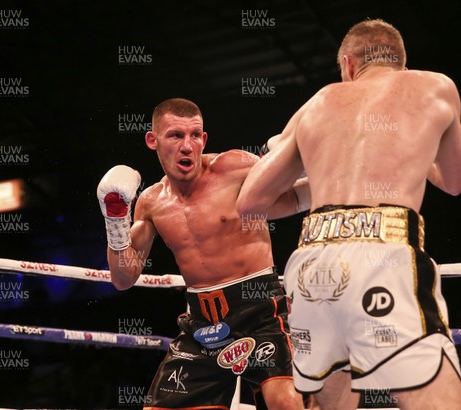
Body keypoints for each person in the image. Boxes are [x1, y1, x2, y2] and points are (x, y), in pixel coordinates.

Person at [237, 19, 461, 410]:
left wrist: (323, 178)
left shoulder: (319, 102)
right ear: (403, 65)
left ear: (347, 65)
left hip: (310, 264)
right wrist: (412, 149)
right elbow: (454, 180)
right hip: (383, 254)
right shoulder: (435, 85)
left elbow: (250, 202)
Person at [96, 98, 309, 409]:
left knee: (285, 401)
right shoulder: (150, 203)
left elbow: (295, 194)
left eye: (195, 135)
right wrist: (115, 219)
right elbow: (124, 278)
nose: (187, 145)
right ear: (152, 140)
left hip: (261, 312)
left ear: (204, 139)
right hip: (202, 326)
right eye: (176, 135)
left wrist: (292, 156)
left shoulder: (234, 167)